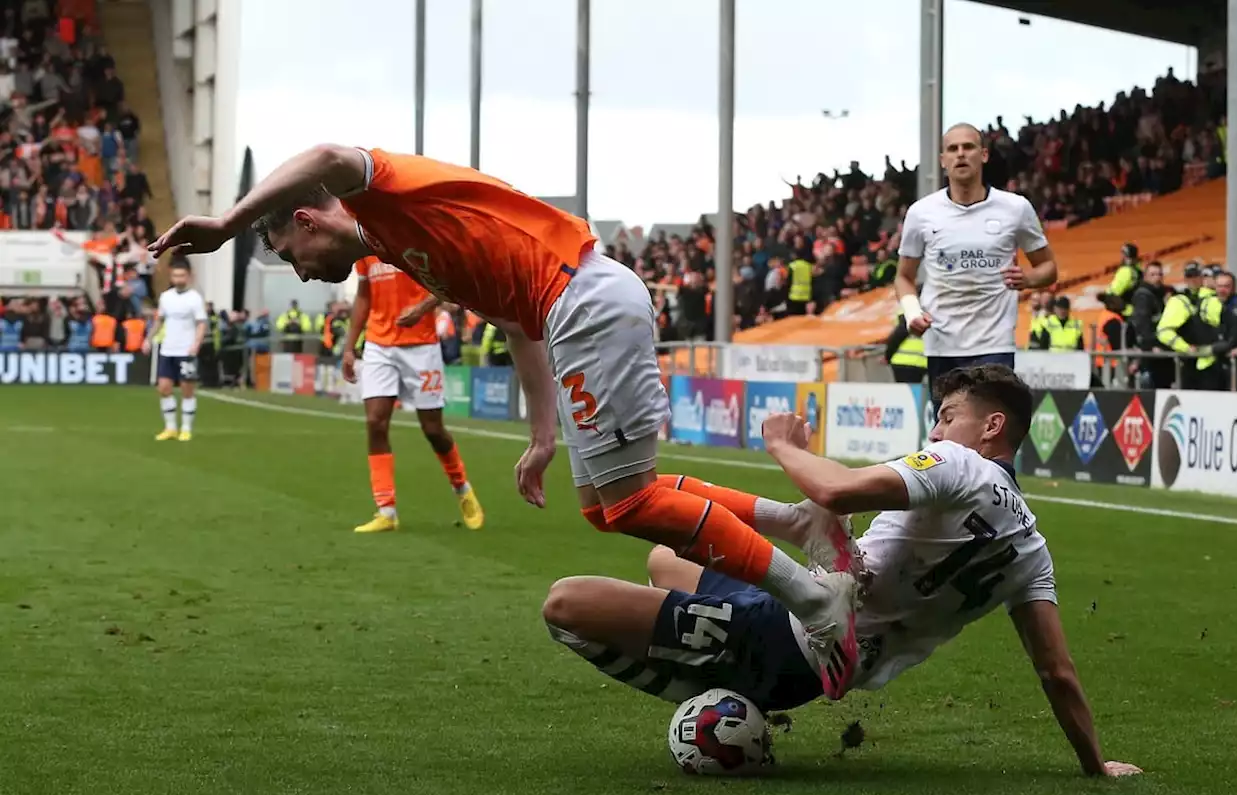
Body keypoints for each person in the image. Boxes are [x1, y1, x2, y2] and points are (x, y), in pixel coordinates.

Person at [148, 144, 862, 698]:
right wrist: (542, 436)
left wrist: (227, 222)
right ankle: (799, 523)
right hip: (571, 310)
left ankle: (813, 599)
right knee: (610, 509)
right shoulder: (401, 249)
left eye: (289, 254)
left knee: (632, 501)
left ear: (306, 220)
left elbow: (330, 157)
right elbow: (517, 328)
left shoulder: (384, 194)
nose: (299, 272)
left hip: (583, 300)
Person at [542, 365, 1142, 778]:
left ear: (991, 428)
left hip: (791, 636)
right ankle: (738, 653)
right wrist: (1096, 764)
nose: (936, 430)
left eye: (949, 416)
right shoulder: (1032, 550)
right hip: (832, 666)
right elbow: (1056, 671)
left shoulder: (960, 463)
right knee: (663, 559)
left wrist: (781, 445)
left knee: (565, 605)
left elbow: (835, 488)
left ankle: (708, 692)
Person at [893, 124, 1058, 398]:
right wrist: (912, 313)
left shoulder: (1015, 208)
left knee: (992, 432)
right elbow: (903, 277)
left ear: (983, 155)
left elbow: (1049, 268)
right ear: (943, 160)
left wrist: (1028, 279)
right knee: (948, 435)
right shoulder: (921, 213)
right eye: (952, 149)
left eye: (968, 147)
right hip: (942, 344)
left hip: (995, 344)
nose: (960, 154)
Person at [343, 255, 483, 533]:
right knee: (375, 422)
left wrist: (422, 309)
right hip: (378, 345)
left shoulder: (412, 235)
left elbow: (447, 284)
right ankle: (386, 511)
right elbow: (363, 296)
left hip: (421, 346)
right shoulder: (364, 246)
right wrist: (349, 347)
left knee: (433, 429)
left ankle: (462, 488)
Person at [143, 255, 205, 442]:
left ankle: (186, 428)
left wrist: (196, 344)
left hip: (186, 350)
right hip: (167, 349)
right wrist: (148, 339)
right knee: (164, 388)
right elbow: (160, 320)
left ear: (188, 277)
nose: (178, 279)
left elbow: (201, 323)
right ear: (171, 277)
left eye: (182, 276)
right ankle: (170, 427)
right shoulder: (166, 297)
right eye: (175, 276)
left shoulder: (194, 298)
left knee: (187, 389)